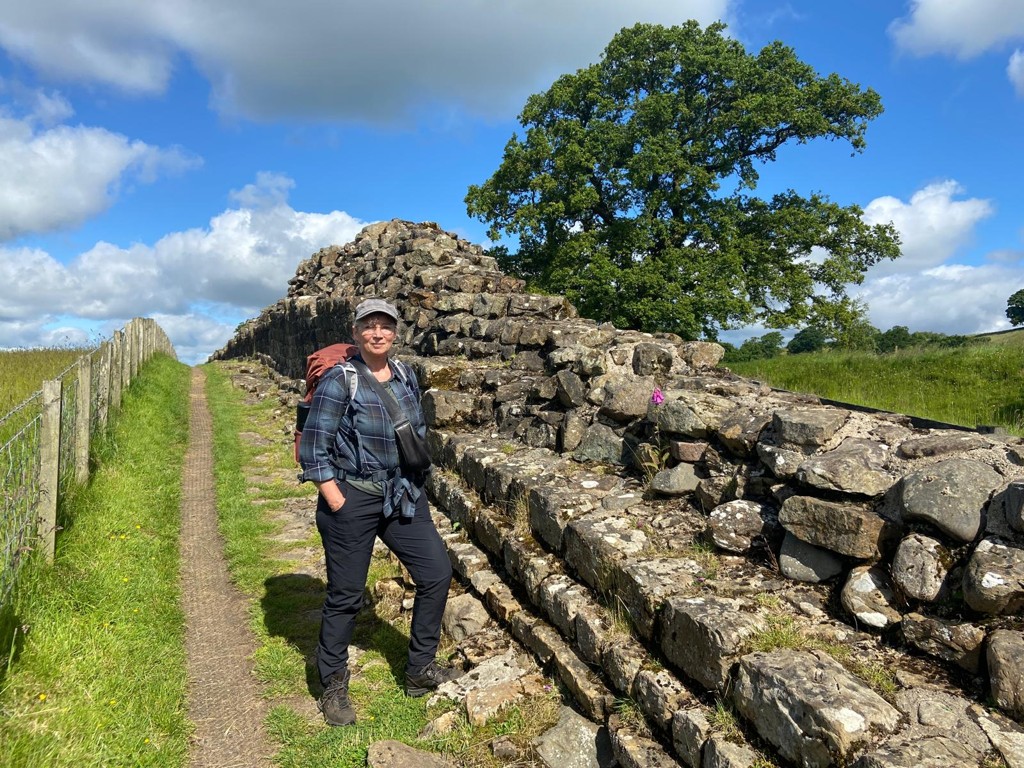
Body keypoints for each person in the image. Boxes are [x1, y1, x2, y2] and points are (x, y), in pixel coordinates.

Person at [299, 297, 456, 727]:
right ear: (356, 332)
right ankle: (333, 683)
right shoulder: (340, 380)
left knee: (436, 573)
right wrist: (336, 498)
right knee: (346, 596)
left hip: (402, 494)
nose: (377, 333)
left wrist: (417, 483)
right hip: (352, 496)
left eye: (385, 325)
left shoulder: (405, 373)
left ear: (395, 332)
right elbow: (314, 448)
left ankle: (419, 670)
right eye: (369, 325)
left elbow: (416, 432)